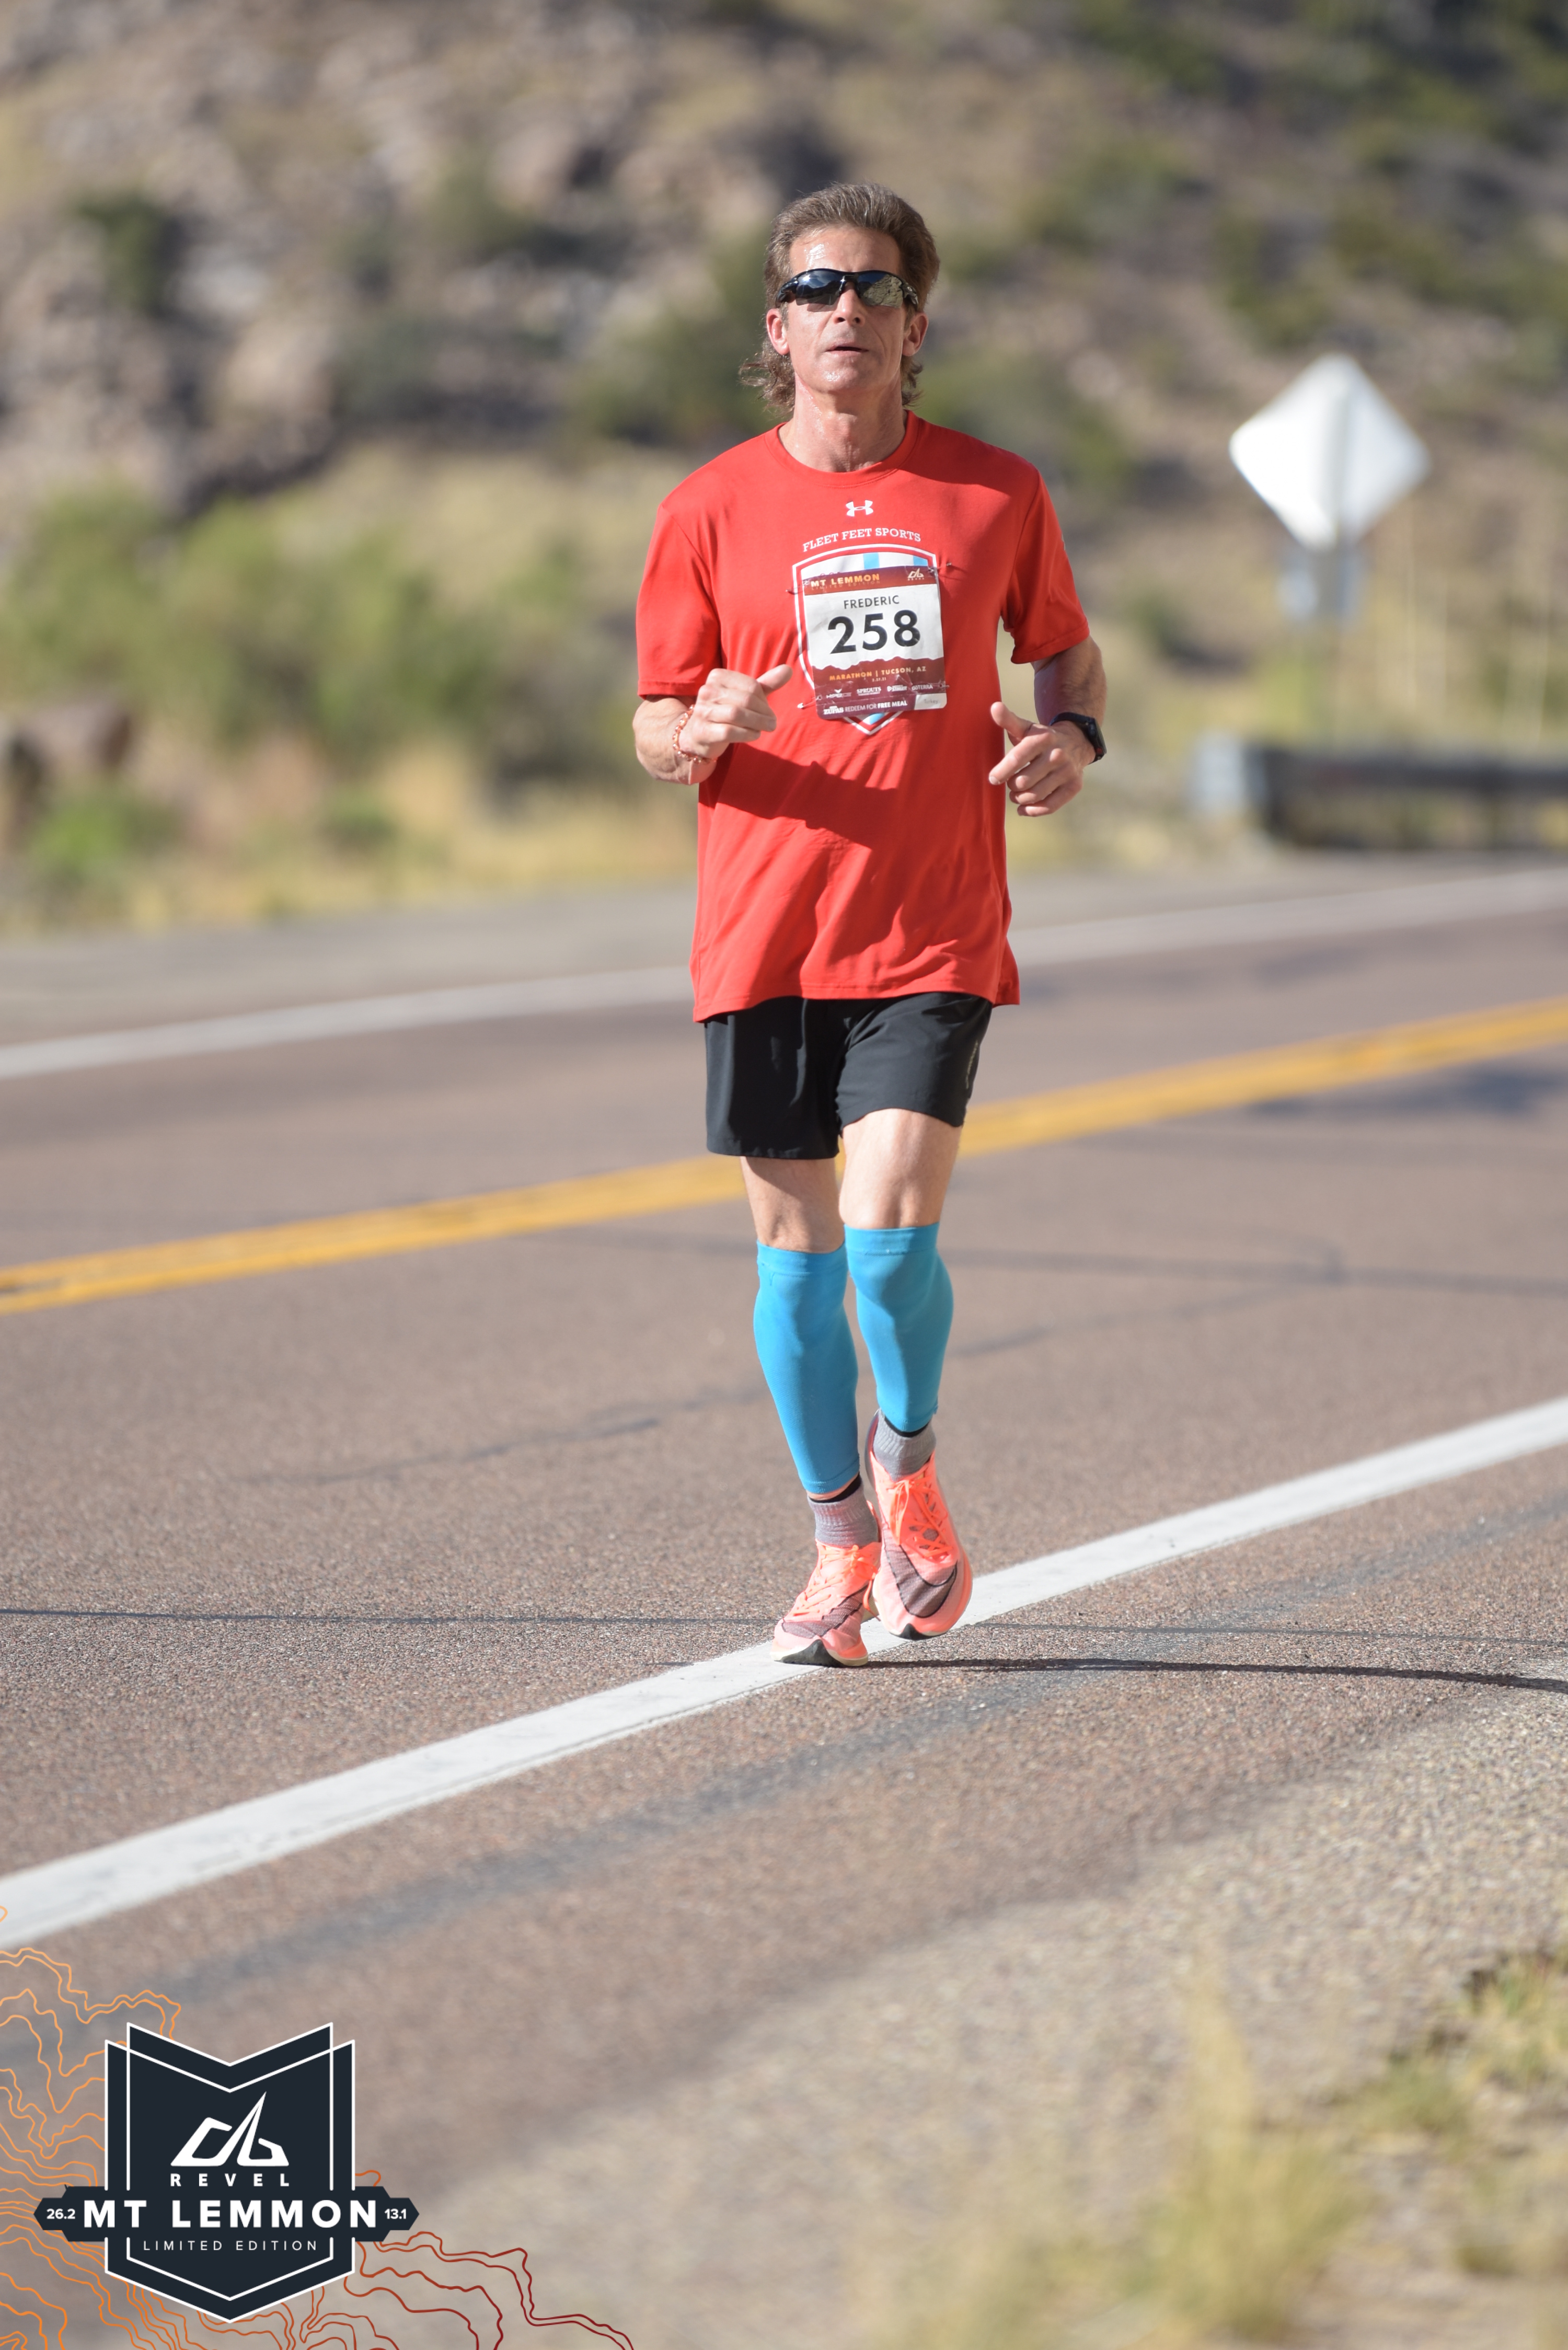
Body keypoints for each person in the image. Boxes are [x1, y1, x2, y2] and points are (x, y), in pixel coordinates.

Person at [633, 181, 1105, 1668]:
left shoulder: (995, 492)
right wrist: (695, 724)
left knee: (890, 1240)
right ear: (779, 330)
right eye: (818, 289)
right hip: (765, 928)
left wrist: (1071, 740)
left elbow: (1068, 656)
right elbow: (653, 719)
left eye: (878, 288)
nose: (848, 309)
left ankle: (910, 1465)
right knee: (794, 1258)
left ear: (916, 326)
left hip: (929, 925)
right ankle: (840, 1540)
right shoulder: (707, 507)